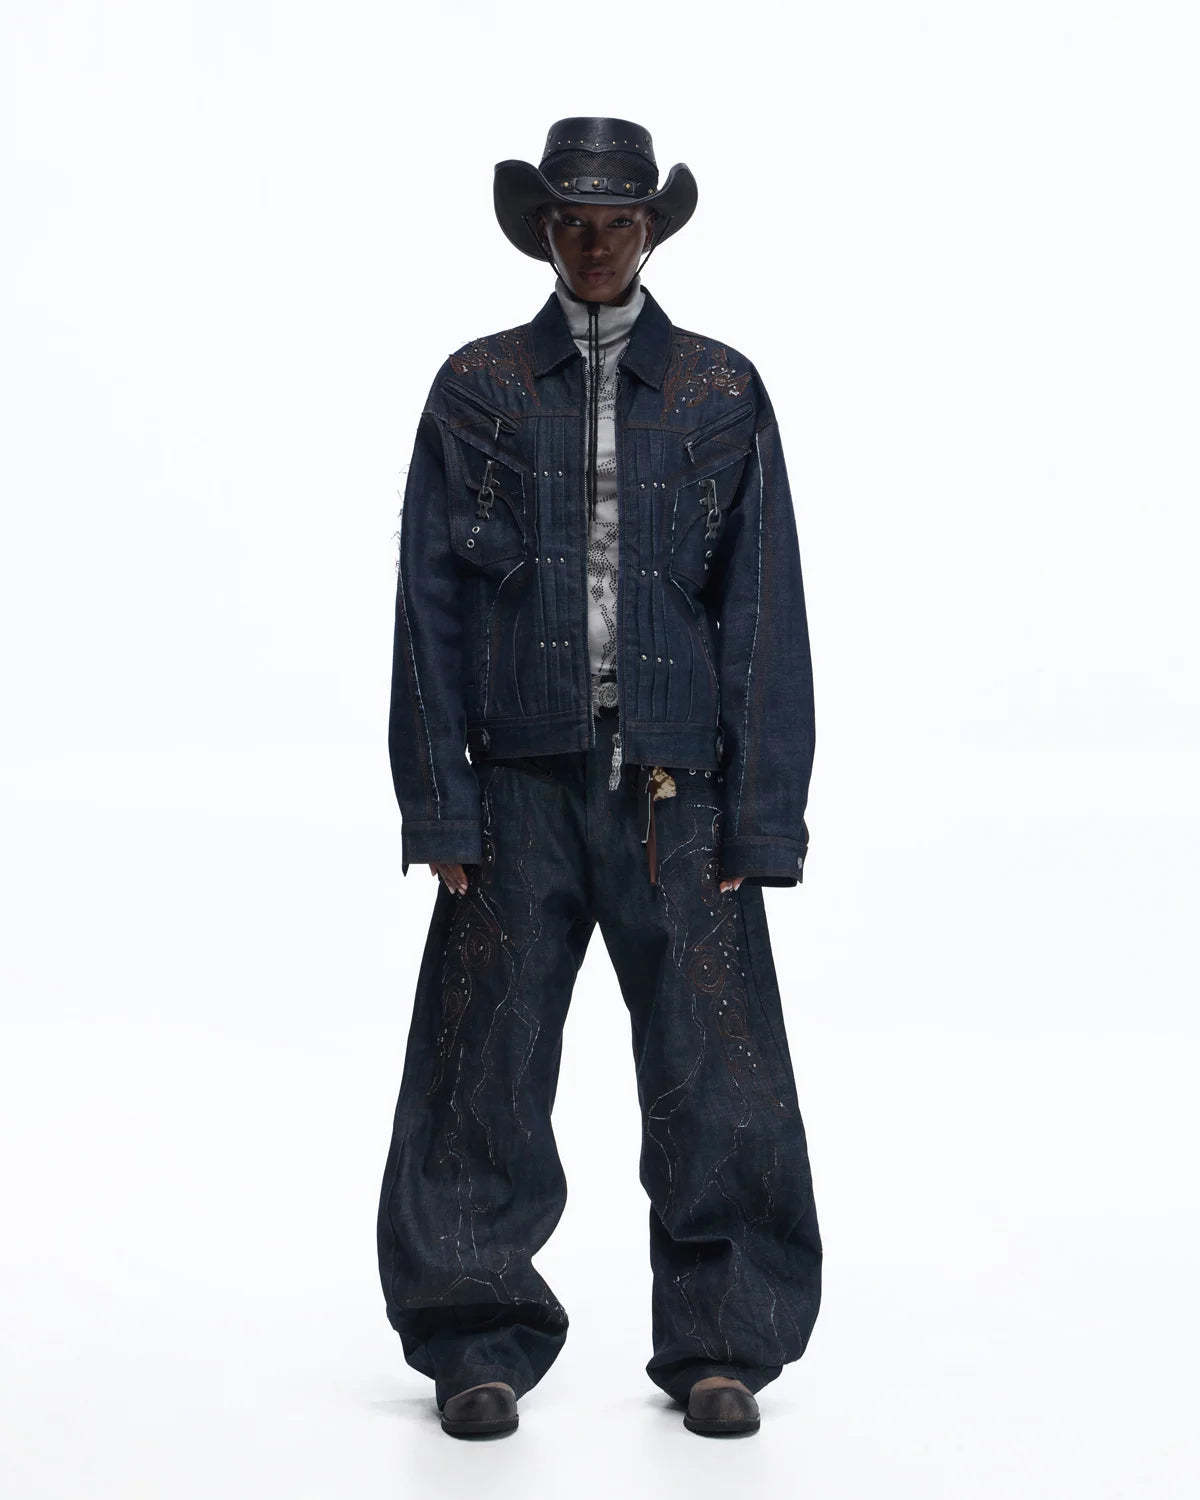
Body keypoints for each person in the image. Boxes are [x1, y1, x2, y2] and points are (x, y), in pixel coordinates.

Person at [377, 117, 821, 1439]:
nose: (592, 243)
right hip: (518, 788)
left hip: (683, 795)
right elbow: (428, 606)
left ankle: (724, 1344)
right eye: (570, 220)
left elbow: (764, 608)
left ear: (650, 230)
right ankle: (474, 1339)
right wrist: (439, 802)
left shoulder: (721, 390)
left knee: (719, 1071)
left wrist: (764, 816)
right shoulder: (477, 388)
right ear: (542, 229)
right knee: (479, 1066)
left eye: (615, 221)